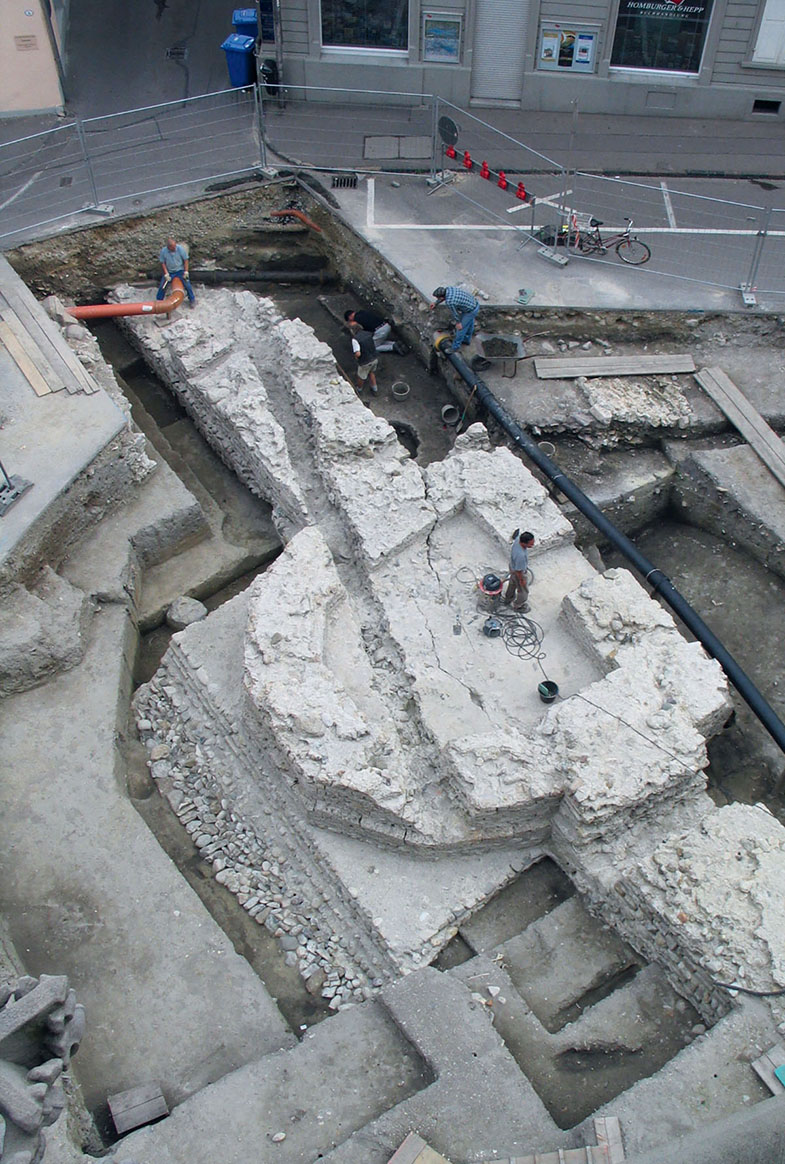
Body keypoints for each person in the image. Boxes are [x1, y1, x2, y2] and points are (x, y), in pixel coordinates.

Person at [430, 285, 480, 352]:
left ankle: (455, 347)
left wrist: (458, 323)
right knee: (469, 324)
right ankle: (466, 340)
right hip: (474, 304)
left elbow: (455, 314)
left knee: (460, 329)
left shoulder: (450, 302)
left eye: (438, 298)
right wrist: (436, 303)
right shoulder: (449, 288)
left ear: (441, 297)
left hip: (470, 311)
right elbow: (443, 298)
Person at [157, 237, 195, 307]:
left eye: (175, 246)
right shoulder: (163, 251)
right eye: (173, 247)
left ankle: (192, 300)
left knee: (187, 285)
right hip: (170, 272)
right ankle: (158, 302)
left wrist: (186, 272)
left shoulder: (180, 249)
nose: (175, 248)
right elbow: (163, 263)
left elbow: (186, 260)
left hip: (180, 271)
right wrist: (166, 274)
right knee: (162, 286)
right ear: (169, 247)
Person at [504, 530, 535, 611]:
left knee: (512, 583)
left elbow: (516, 535)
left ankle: (508, 598)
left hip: (512, 567)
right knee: (523, 591)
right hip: (518, 572)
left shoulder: (518, 540)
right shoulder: (520, 556)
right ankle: (518, 605)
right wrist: (522, 580)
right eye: (530, 544)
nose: (532, 545)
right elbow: (518, 571)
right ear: (524, 543)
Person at [349, 323, 378, 394]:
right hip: (374, 358)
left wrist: (356, 357)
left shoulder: (355, 340)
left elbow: (358, 353)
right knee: (371, 373)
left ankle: (359, 389)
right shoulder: (368, 334)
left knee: (361, 377)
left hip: (365, 362)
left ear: (353, 331)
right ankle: (375, 389)